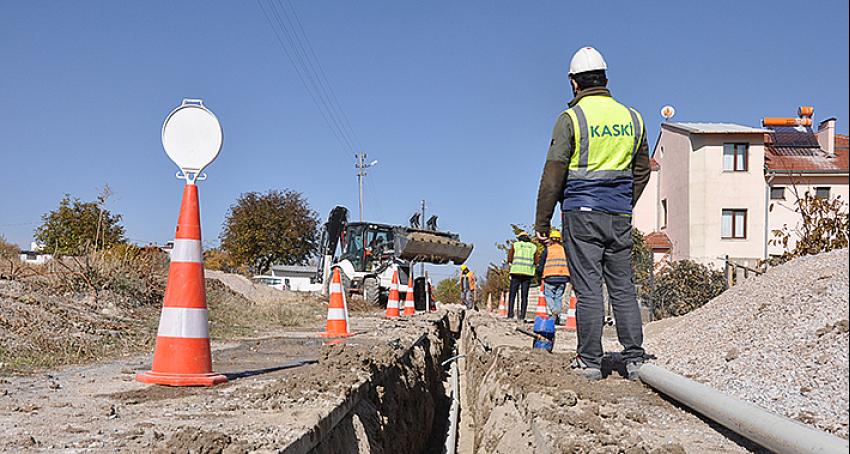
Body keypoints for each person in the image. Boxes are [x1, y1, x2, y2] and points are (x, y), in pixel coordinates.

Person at [534, 47, 651, 381]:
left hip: (581, 215)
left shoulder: (571, 119)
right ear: (606, 79)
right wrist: (624, 202)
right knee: (623, 288)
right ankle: (634, 359)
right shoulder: (633, 118)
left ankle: (589, 361)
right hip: (618, 215)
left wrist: (542, 222)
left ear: (574, 84)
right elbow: (641, 171)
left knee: (588, 289)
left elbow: (552, 175)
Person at [537, 229, 570, 324]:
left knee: (548, 295)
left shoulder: (548, 250)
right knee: (558, 297)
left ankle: (554, 311)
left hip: (549, 277)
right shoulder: (565, 250)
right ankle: (555, 317)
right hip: (563, 277)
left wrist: (540, 277)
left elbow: (541, 266)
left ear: (550, 239)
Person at [506, 230, 537, 321]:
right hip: (527, 274)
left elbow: (510, 258)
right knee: (524, 296)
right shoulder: (533, 247)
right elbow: (536, 261)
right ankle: (522, 315)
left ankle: (510, 314)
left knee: (512, 295)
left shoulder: (516, 245)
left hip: (516, 273)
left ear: (519, 238)